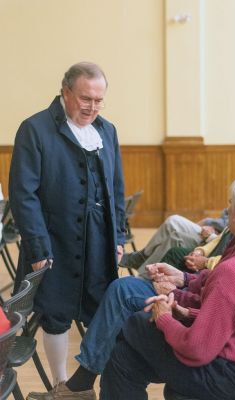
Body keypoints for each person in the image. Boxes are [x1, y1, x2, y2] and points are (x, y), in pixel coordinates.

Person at [9, 62, 125, 388]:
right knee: (56, 316)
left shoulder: (108, 131)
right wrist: (37, 246)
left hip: (99, 239)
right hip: (53, 241)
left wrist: (118, 237)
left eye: (99, 100)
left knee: (101, 309)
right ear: (65, 92)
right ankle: (61, 385)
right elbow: (23, 195)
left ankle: (87, 385)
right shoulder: (34, 129)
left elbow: (117, 189)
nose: (92, 107)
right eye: (85, 98)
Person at [99, 175, 235, 400]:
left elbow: (197, 350)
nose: (227, 210)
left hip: (224, 377)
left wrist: (164, 318)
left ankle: (85, 374)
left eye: (230, 204)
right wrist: (186, 312)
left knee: (136, 323)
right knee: (123, 357)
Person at [26, 227, 232, 400]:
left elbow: (215, 307)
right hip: (193, 293)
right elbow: (211, 275)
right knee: (123, 296)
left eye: (231, 206)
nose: (228, 209)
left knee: (122, 302)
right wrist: (185, 279)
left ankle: (82, 382)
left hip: (207, 336)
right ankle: (81, 382)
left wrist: (181, 300)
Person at [120, 144, 235, 274]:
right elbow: (226, 227)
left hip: (215, 240)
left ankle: (141, 278)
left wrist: (206, 255)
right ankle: (142, 270)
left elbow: (232, 254)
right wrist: (200, 249)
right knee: (174, 228)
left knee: (175, 232)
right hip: (216, 238)